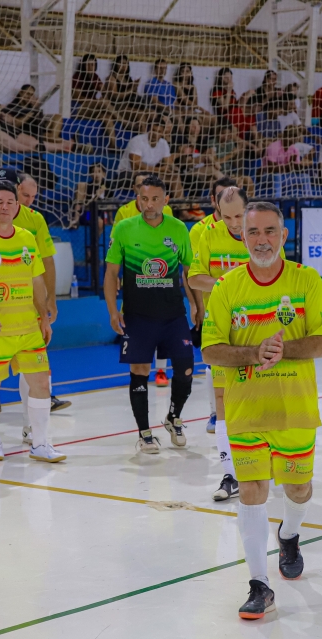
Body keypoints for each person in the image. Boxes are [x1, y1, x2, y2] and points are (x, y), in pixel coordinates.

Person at [201, 200, 322, 620]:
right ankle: (259, 585)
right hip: (247, 411)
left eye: (269, 231)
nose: (262, 240)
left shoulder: (306, 279)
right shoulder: (227, 287)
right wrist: (252, 352)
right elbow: (210, 350)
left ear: (284, 234)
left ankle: (290, 534)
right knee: (253, 491)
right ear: (242, 237)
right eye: (253, 232)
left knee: (298, 490)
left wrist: (282, 350)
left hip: (295, 409)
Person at [0, 180, 64, 463]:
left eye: (10, 202)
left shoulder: (27, 238)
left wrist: (44, 318)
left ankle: (40, 444)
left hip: (28, 327)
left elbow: (37, 280)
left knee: (41, 383)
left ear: (17, 206)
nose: (5, 207)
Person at [103, 176, 198, 453]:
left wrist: (197, 306)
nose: (149, 204)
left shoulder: (178, 228)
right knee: (140, 371)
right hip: (137, 315)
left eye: (155, 199)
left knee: (186, 369)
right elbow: (111, 273)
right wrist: (112, 311)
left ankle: (173, 417)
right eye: (144, 199)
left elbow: (188, 271)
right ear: (138, 199)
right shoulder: (124, 228)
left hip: (173, 314)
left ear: (166, 200)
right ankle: (144, 433)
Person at [187, 186, 251, 502]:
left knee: (256, 399)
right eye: (227, 217)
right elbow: (194, 277)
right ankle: (230, 474)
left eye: (239, 216)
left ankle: (260, 463)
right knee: (223, 401)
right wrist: (225, 284)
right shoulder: (208, 235)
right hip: (220, 330)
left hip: (255, 329)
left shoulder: (261, 234)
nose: (234, 223)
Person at [187, 176, 239, 433]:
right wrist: (196, 305)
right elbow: (193, 272)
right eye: (221, 197)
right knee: (214, 362)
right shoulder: (202, 231)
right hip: (214, 309)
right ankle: (214, 413)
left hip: (246, 314)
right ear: (213, 200)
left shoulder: (251, 228)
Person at [118, 115, 183, 199]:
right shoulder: (137, 141)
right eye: (153, 130)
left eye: (159, 131)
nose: (155, 134)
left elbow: (169, 163)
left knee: (175, 177)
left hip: (149, 174)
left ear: (163, 133)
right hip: (127, 174)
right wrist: (160, 169)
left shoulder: (163, 144)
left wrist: (173, 169)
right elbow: (135, 166)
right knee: (146, 179)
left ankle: (181, 205)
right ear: (149, 129)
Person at [71, 162, 109, 229]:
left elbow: (110, 205)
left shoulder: (108, 186)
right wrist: (96, 196)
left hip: (101, 213)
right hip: (89, 213)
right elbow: (86, 206)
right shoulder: (88, 187)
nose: (96, 174)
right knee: (89, 218)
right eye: (93, 172)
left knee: (101, 221)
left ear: (104, 174)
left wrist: (111, 219)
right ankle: (76, 220)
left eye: (99, 171)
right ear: (90, 175)